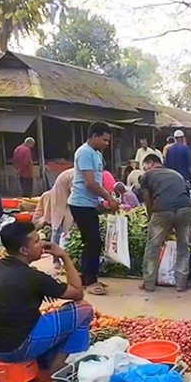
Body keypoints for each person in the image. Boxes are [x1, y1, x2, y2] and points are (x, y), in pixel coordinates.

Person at [0, 222, 92, 373]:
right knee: (84, 309)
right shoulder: (32, 277)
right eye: (36, 241)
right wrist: (64, 256)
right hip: (15, 349)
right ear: (24, 250)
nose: (42, 244)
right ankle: (56, 369)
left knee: (41, 316)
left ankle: (45, 361)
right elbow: (77, 292)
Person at [71, 122, 121, 296]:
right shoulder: (84, 152)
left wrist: (100, 201)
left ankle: (88, 277)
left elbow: (97, 182)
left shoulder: (96, 154)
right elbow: (90, 182)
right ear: (94, 136)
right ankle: (89, 281)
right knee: (92, 242)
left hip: (89, 203)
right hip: (80, 203)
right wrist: (109, 198)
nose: (107, 143)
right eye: (104, 140)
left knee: (92, 242)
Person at [139, 152, 191, 293]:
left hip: (162, 209)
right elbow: (186, 192)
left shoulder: (147, 176)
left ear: (150, 163)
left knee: (153, 246)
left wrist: (152, 217)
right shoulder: (176, 174)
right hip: (185, 208)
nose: (144, 169)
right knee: (183, 246)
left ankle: (149, 283)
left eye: (145, 166)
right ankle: (181, 283)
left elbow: (147, 199)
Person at [34, 168, 75, 267]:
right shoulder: (75, 174)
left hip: (68, 199)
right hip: (60, 198)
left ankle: (67, 258)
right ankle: (55, 259)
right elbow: (76, 192)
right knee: (57, 228)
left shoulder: (78, 173)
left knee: (69, 227)